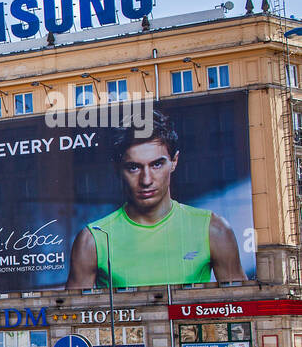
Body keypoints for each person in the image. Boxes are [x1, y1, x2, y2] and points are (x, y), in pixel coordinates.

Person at [65, 114, 246, 289]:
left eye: (156, 164)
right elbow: (74, 315)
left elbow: (242, 306)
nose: (146, 180)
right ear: (118, 168)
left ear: (174, 161)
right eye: (134, 167)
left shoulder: (214, 229)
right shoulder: (92, 240)